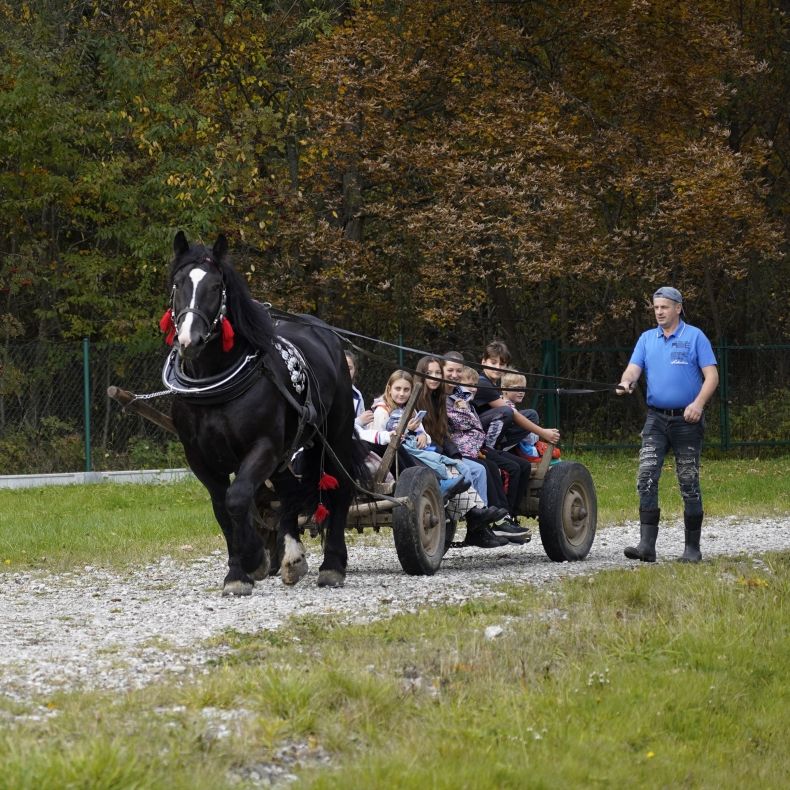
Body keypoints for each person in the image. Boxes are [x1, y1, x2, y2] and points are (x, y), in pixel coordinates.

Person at [617, 286, 719, 563]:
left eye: (664, 307)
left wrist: (697, 405)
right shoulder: (647, 338)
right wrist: (627, 382)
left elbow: (712, 376)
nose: (659, 312)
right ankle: (646, 546)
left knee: (688, 480)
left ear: (677, 308)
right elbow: (634, 368)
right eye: (656, 308)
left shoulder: (695, 336)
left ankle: (692, 549)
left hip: (687, 421)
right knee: (646, 477)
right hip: (656, 419)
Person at [442, 354, 531, 545]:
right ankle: (492, 521)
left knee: (498, 466)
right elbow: (456, 425)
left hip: (472, 447)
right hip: (457, 448)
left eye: (458, 370)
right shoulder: (446, 397)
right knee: (486, 467)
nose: (455, 374)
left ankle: (498, 519)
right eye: (450, 370)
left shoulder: (461, 395)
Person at [472, 340, 560, 450]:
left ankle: (503, 447)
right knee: (506, 411)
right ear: (483, 362)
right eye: (493, 363)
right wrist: (543, 432)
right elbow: (511, 412)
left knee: (531, 415)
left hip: (493, 425)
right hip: (478, 430)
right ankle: (490, 450)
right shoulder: (483, 383)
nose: (498, 367)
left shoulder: (492, 383)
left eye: (502, 364)